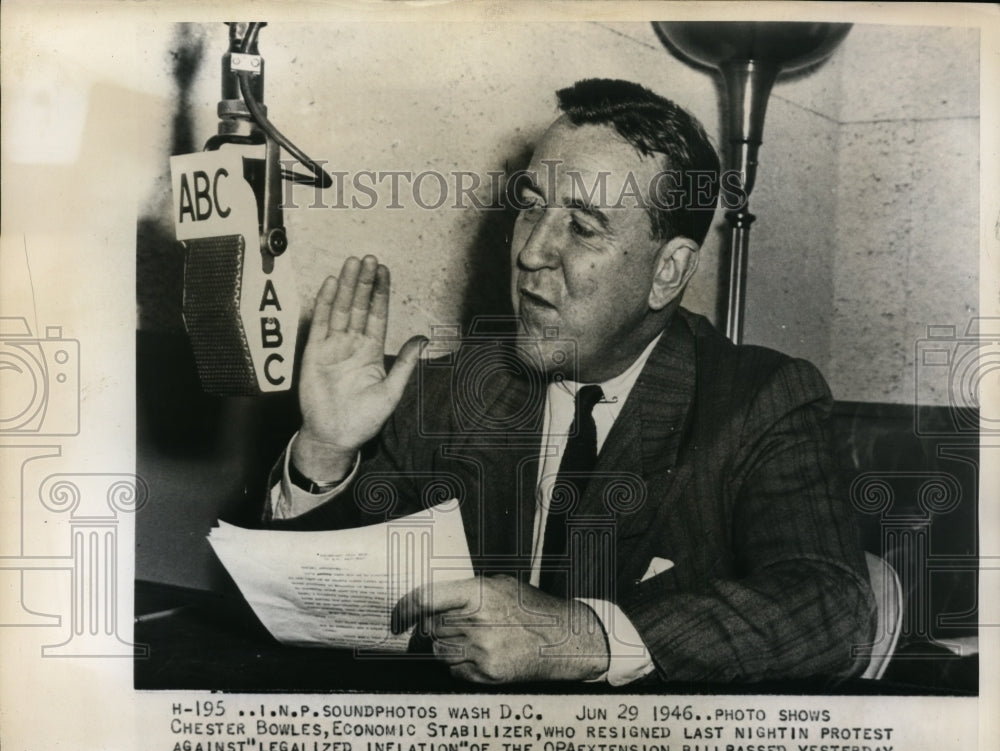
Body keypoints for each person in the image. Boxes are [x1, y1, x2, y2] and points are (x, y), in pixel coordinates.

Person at [265, 78, 876, 687]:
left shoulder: (759, 401)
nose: (531, 252)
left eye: (582, 228)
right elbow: (332, 612)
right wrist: (326, 448)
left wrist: (580, 636)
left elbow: (830, 605)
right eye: (531, 206)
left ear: (668, 273)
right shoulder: (443, 393)